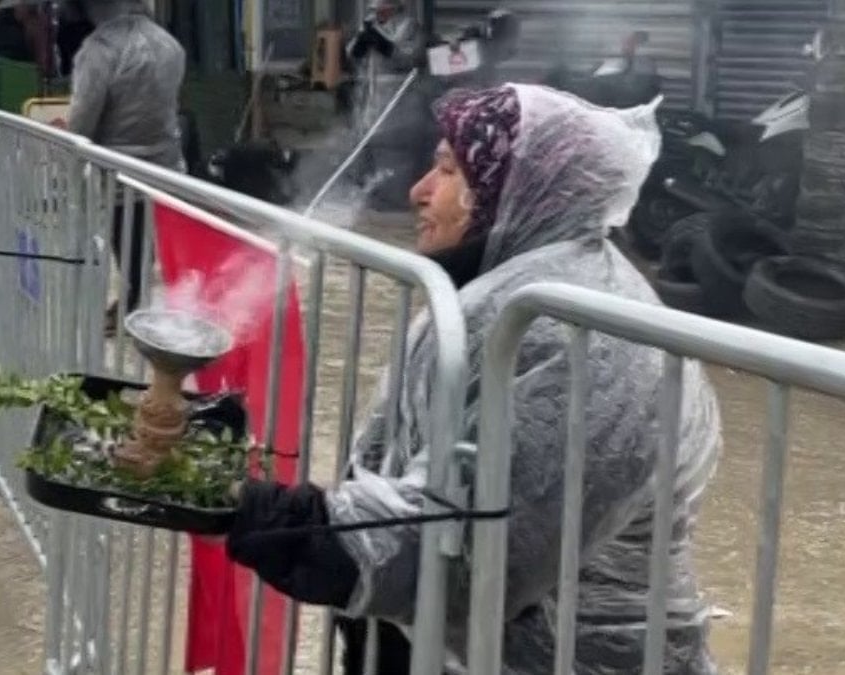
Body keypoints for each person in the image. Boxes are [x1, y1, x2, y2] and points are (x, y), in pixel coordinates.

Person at [226, 84, 723, 675]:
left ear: (521, 191)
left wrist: (276, 520)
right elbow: (405, 462)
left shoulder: (589, 335)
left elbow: (483, 554)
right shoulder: (504, 293)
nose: (418, 191)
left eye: (446, 170)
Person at [64, 0, 184, 323]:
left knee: (125, 233)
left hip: (119, 168)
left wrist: (69, 160)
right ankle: (143, 298)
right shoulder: (170, 45)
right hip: (166, 165)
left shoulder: (98, 50)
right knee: (147, 236)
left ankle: (133, 305)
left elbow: (83, 120)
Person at [345, 0, 429, 213]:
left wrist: (383, 43)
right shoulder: (371, 25)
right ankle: (370, 201)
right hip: (369, 102)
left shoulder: (409, 26)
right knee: (365, 154)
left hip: (398, 105)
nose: (377, 13)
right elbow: (352, 54)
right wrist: (361, 42)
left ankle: (394, 204)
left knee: (393, 157)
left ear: (394, 8)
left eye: (382, 10)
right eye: (375, 10)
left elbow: (410, 56)